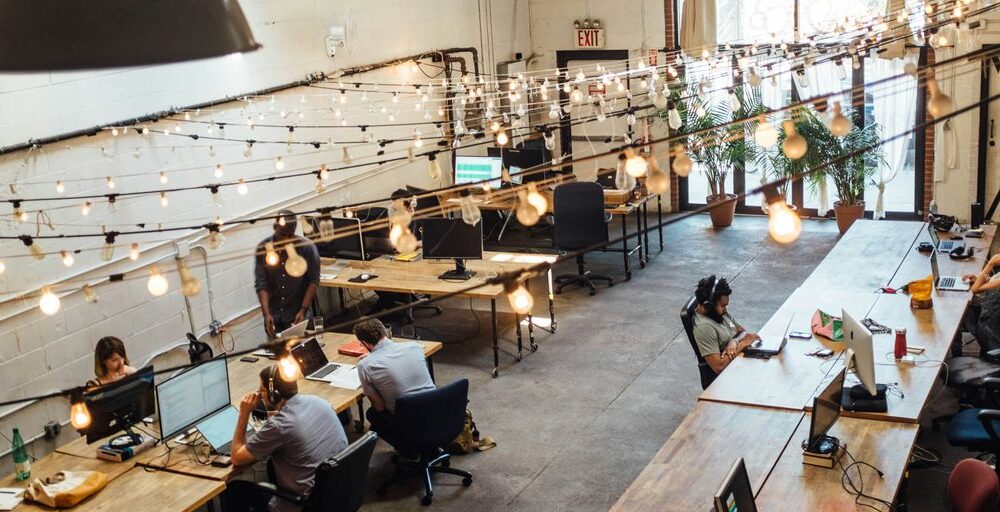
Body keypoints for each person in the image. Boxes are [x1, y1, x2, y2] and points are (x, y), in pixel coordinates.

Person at [225, 365, 348, 512]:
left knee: (233, 490)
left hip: (306, 504)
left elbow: (237, 458)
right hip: (337, 491)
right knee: (272, 464)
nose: (259, 395)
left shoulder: (280, 426)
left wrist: (243, 414)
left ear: (274, 395)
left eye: (261, 391)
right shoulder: (318, 401)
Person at [353, 318, 435, 448]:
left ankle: (408, 449)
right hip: (436, 410)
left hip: (408, 421)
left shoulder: (365, 365)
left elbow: (379, 407)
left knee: (373, 414)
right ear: (384, 332)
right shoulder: (414, 347)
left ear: (365, 343)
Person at [254, 210, 321, 337]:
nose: (285, 239)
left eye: (289, 235)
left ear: (295, 229)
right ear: (275, 227)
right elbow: (261, 284)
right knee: (277, 353)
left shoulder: (307, 248)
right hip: (274, 315)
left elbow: (313, 281)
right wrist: (266, 313)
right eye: (282, 234)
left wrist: (303, 309)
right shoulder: (263, 248)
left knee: (303, 350)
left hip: (298, 312)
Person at [691, 275, 760, 374]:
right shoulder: (705, 328)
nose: (725, 310)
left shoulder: (720, 314)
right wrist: (742, 344)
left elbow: (740, 331)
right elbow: (718, 367)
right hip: (728, 375)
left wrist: (734, 341)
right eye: (723, 306)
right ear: (708, 305)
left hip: (738, 362)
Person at [962, 254, 1000, 359]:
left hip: (991, 329)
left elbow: (975, 289)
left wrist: (990, 264)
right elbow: (991, 283)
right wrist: (979, 279)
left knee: (960, 310)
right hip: (991, 319)